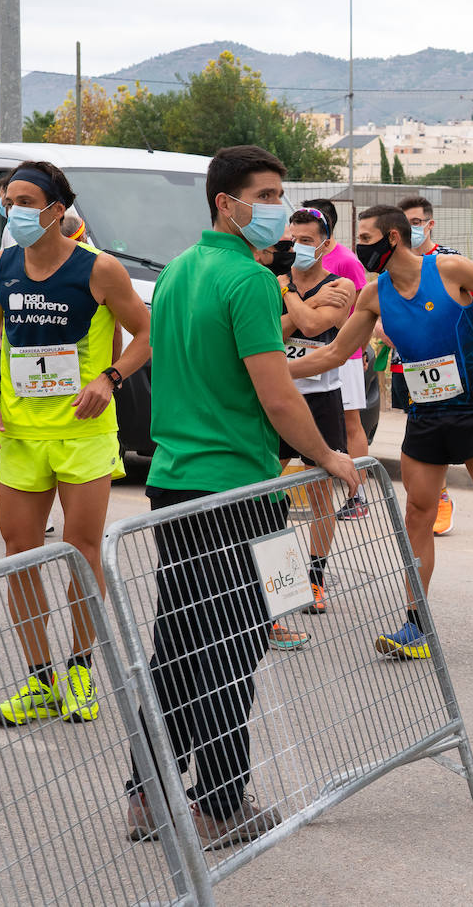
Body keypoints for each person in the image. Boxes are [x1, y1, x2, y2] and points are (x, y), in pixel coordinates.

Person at [123, 146, 361, 849]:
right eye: (265, 194)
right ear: (226, 203)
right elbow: (277, 393)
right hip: (235, 482)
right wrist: (328, 457)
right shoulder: (249, 283)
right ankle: (220, 803)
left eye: (282, 193)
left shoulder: (176, 274)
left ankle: (148, 794)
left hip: (174, 478)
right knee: (232, 642)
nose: (279, 208)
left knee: (179, 639)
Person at [289, 205, 473, 665]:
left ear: (391, 237)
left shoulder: (447, 268)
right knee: (417, 516)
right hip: (425, 418)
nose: (359, 245)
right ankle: (416, 624)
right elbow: (333, 355)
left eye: (365, 236)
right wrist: (273, 371)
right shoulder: (373, 295)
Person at [0, 162, 151, 728]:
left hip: (83, 434)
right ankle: (40, 678)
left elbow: (146, 333)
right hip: (21, 435)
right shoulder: (1, 265)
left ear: (55, 208)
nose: (12, 210)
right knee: (20, 556)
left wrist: (109, 379)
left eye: (24, 199)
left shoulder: (100, 269)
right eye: (7, 198)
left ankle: (79, 668)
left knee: (80, 551)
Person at [277, 208, 353, 623]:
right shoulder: (273, 282)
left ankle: (315, 576)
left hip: (321, 399)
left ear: (324, 244)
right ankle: (273, 576)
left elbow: (309, 327)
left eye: (306, 241)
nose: (297, 248)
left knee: (323, 492)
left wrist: (292, 298)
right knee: (265, 487)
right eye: (291, 241)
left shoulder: (341, 286)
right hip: (277, 398)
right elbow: (271, 332)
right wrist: (295, 297)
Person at [394, 195, 466, 537]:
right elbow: (380, 317)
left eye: (416, 222)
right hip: (406, 366)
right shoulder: (390, 266)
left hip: (448, 367)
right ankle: (430, 498)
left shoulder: (450, 262)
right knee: (416, 429)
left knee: (444, 433)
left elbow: (462, 314)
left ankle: (439, 498)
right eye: (404, 222)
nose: (411, 228)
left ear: (429, 224)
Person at [302, 199, 372, 523]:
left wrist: (359, 345)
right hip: (311, 357)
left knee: (351, 422)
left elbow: (358, 312)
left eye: (308, 236)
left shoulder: (345, 261)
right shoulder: (293, 267)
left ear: (326, 232)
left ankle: (356, 496)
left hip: (346, 354)